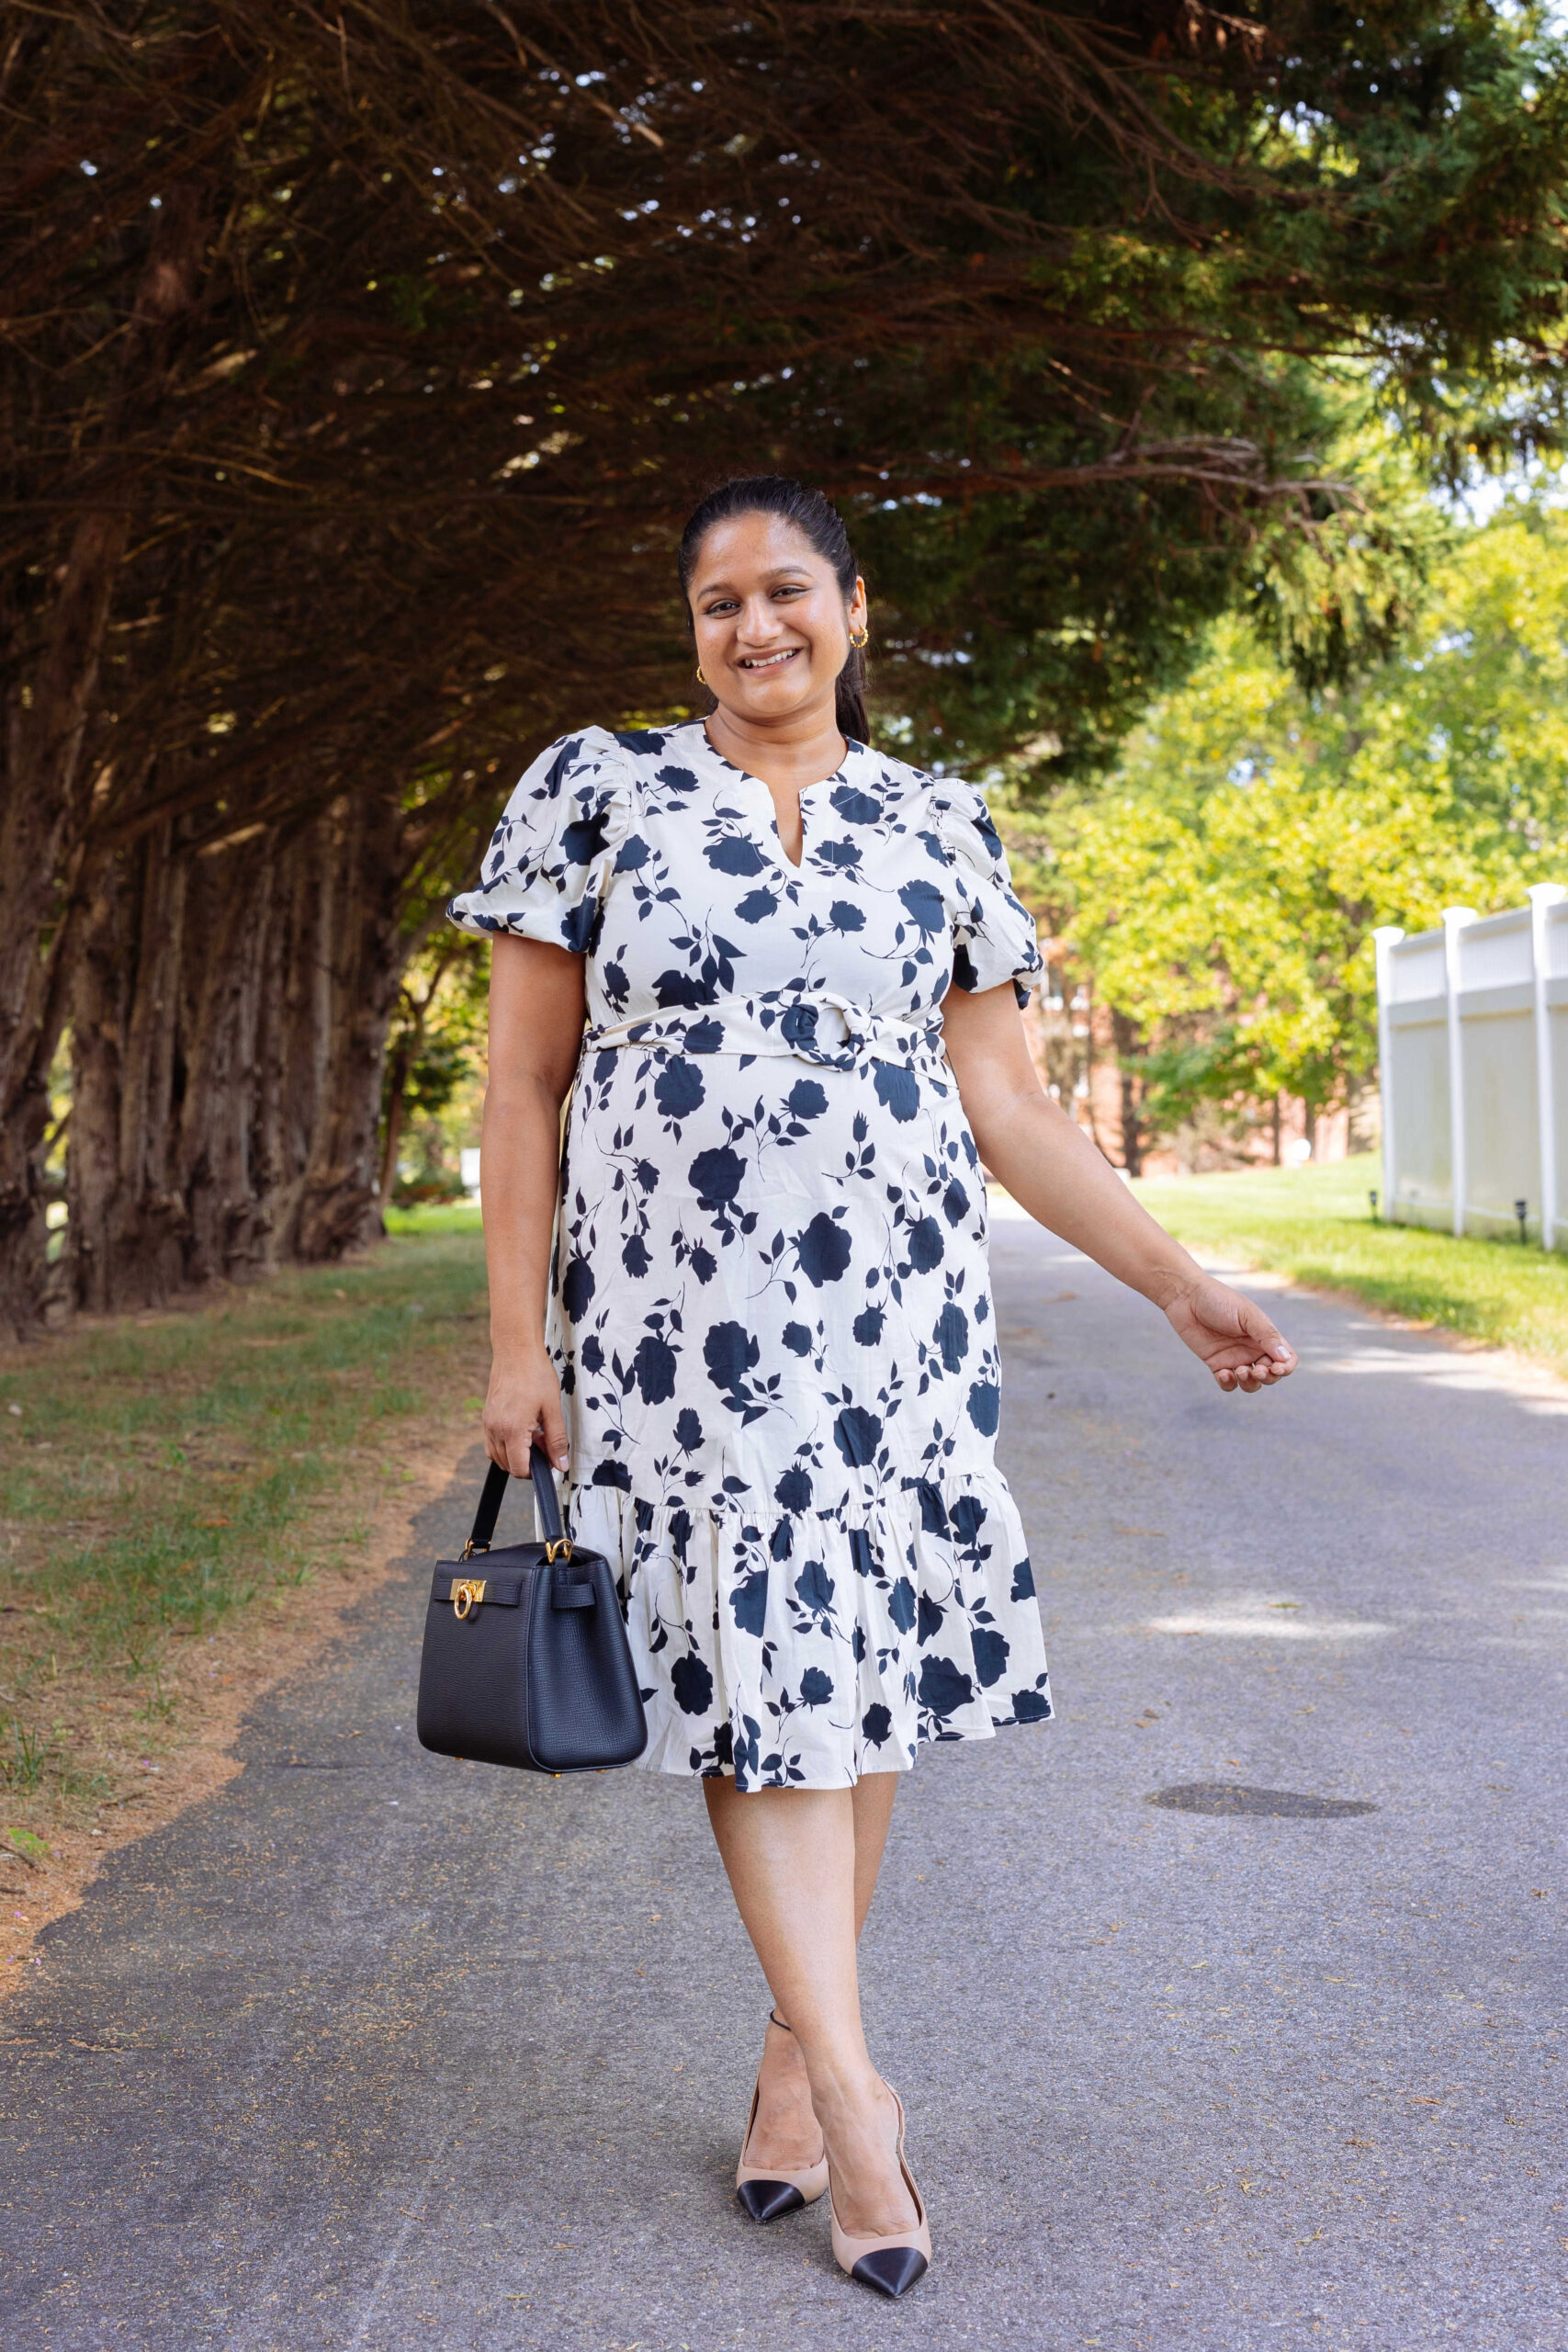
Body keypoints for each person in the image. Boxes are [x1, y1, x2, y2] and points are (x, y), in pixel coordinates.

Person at [446, 475, 1297, 2298]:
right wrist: (515, 1343)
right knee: (761, 1693)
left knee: (860, 1671)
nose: (753, 628)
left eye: (784, 593)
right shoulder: (589, 791)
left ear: (853, 604)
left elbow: (1006, 1105)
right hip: (674, 1332)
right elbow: (521, 1085)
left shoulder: (937, 821)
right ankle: (854, 2094)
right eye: (713, 604)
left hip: (895, 1326)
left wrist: (1174, 1282)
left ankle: (778, 2063)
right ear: (689, 631)